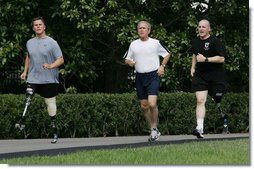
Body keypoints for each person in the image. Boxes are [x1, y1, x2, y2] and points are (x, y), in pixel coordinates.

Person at [20, 16, 64, 143]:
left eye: (40, 24)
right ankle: (21, 121)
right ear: (33, 28)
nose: (38, 27)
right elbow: (28, 56)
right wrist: (25, 71)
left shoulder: (52, 42)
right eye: (35, 25)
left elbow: (61, 60)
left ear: (44, 27)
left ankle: (54, 129)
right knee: (28, 97)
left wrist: (50, 66)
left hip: (49, 79)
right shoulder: (29, 42)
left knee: (50, 105)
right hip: (33, 77)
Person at [124, 21, 170, 142]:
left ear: (149, 30)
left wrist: (162, 66)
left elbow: (167, 54)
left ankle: (154, 128)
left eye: (144, 28)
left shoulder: (155, 43)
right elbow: (127, 59)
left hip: (153, 75)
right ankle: (153, 129)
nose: (141, 30)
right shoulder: (133, 44)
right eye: (139, 28)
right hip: (140, 76)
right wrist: (130, 62)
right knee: (144, 106)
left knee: (152, 104)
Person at [190, 19, 227, 139]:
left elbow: (221, 59)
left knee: (217, 97)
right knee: (200, 100)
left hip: (215, 75)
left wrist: (206, 59)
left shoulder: (215, 41)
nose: (201, 29)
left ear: (209, 29)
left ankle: (221, 111)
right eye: (199, 27)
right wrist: (193, 67)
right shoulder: (195, 41)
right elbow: (195, 55)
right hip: (200, 75)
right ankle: (199, 128)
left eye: (204, 27)